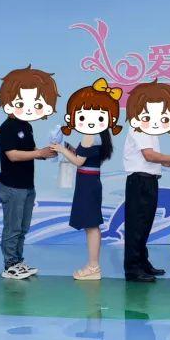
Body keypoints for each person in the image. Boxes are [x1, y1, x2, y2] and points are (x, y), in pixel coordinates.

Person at [122, 80, 170, 283]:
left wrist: (169, 161)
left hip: (149, 180)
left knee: (144, 225)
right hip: (139, 181)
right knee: (137, 226)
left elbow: (153, 157)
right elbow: (149, 155)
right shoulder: (139, 127)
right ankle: (133, 269)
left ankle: (143, 263)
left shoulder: (150, 130)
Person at [53, 78, 123, 280]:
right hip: (91, 182)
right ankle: (93, 266)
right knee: (91, 225)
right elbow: (84, 156)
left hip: (87, 184)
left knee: (91, 226)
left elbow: (78, 161)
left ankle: (93, 267)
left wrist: (60, 149)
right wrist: (68, 149)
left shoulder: (89, 136)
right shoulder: (100, 135)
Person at [0, 66, 59, 280]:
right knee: (12, 227)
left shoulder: (26, 125)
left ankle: (18, 260)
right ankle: (9, 264)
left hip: (27, 185)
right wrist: (38, 153)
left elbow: (29, 150)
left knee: (23, 227)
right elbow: (12, 155)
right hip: (12, 186)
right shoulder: (7, 127)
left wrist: (44, 153)